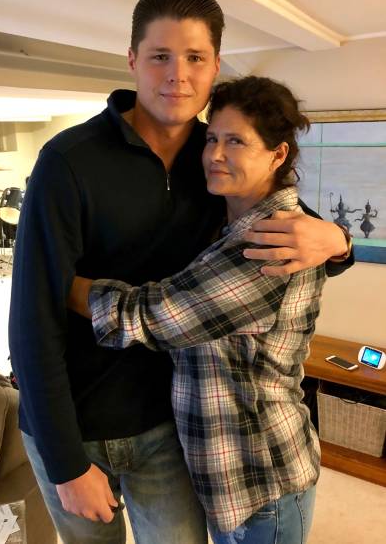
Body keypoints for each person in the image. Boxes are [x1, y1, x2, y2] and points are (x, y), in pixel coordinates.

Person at [9, 0, 352, 544]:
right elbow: (30, 318)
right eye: (160, 56)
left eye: (195, 57)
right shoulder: (68, 161)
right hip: (77, 423)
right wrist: (64, 461)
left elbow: (291, 232)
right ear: (132, 60)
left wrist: (338, 239)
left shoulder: (212, 157)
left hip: (168, 426)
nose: (178, 76)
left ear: (215, 65)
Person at [69, 76, 327, 544]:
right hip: (231, 477)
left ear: (278, 155)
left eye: (236, 142)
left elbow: (146, 316)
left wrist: (52, 280)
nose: (215, 155)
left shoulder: (266, 245)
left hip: (262, 479)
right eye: (211, 139)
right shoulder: (227, 222)